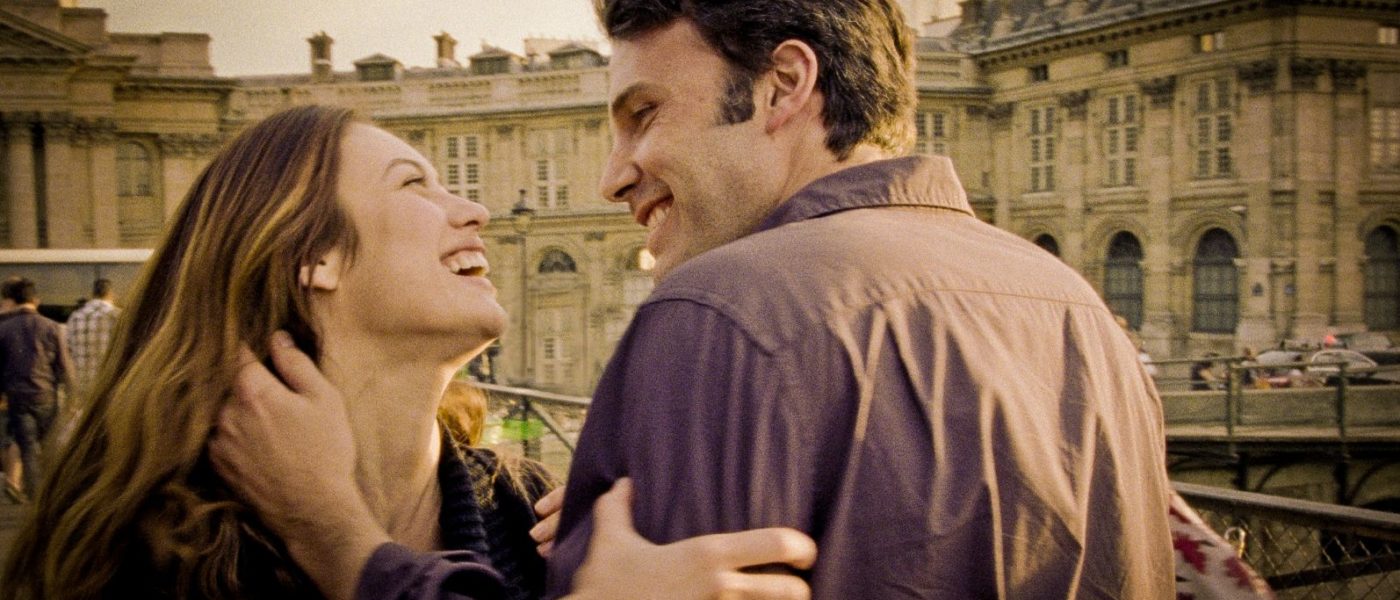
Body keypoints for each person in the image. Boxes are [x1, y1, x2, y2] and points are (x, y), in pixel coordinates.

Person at [215, 1, 1173, 598]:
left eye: (644, 115)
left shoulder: (720, 315)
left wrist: (344, 545)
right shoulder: (1078, 310)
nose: (613, 175)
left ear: (782, 87)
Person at [0, 105, 813, 600]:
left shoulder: (533, 509)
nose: (476, 209)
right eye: (413, 185)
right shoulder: (162, 542)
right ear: (312, 257)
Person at [0, 277, 72, 502]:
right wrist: (73, 397)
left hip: (17, 399)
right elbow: (64, 365)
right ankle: (54, 493)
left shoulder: (3, 329)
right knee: (50, 448)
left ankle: (36, 499)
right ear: (34, 300)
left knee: (28, 449)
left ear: (14, 299)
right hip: (46, 396)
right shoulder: (52, 327)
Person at [65, 278, 122, 394]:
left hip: (82, 386)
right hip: (108, 385)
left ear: (93, 294)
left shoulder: (75, 317)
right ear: (110, 293)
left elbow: (68, 351)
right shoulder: (117, 316)